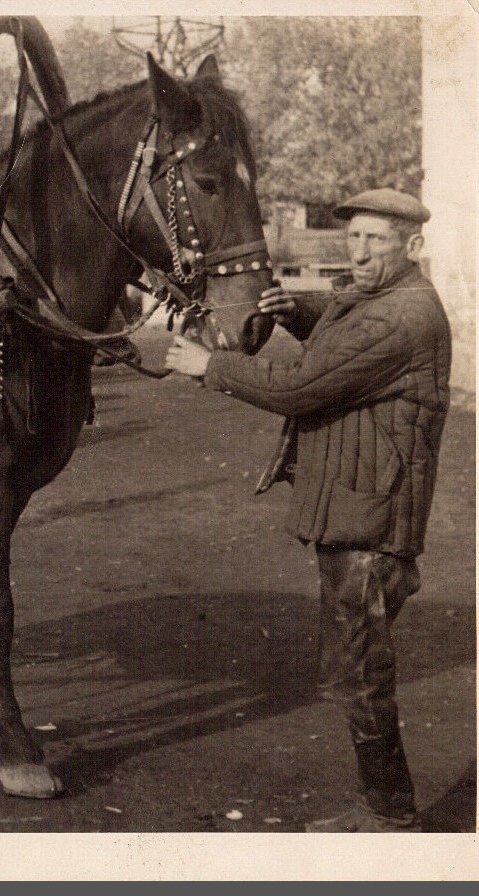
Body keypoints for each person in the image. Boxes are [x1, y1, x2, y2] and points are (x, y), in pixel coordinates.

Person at [165, 188, 451, 833]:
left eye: (376, 241)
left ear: (413, 247)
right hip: (361, 510)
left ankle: (387, 810)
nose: (360, 251)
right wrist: (298, 311)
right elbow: (343, 322)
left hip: (370, 526)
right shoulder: (387, 299)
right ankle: (387, 804)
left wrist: (211, 365)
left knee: (360, 671)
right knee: (355, 664)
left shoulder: (400, 318)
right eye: (354, 238)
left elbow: (300, 386)